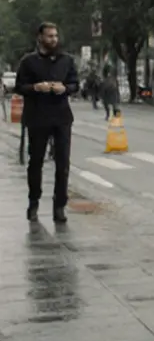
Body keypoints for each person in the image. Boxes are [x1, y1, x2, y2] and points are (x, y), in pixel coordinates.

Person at [14, 22, 80, 223]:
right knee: (36, 163)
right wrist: (35, 87)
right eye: (49, 36)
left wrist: (65, 89)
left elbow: (75, 84)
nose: (53, 40)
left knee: (63, 164)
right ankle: (34, 201)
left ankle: (59, 205)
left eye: (55, 36)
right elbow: (19, 87)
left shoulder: (66, 60)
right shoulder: (28, 61)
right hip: (37, 117)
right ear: (40, 38)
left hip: (61, 117)